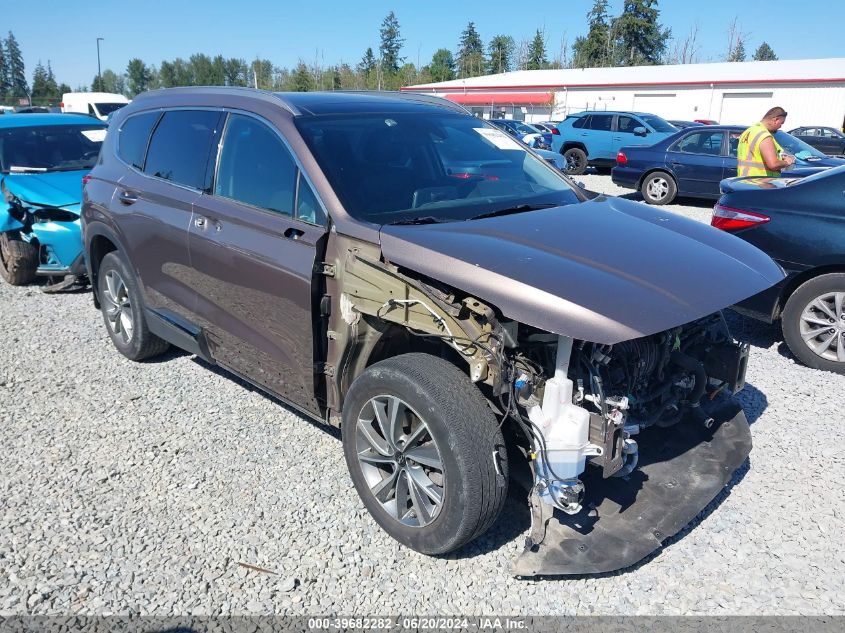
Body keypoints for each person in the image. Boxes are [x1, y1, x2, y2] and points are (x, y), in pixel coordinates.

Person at [736, 106, 795, 177]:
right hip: (760, 183)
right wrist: (786, 162)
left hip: (743, 181)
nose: (780, 126)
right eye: (781, 123)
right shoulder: (764, 135)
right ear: (776, 120)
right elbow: (773, 164)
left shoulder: (747, 132)